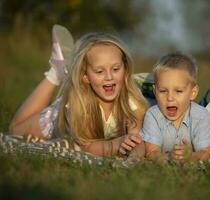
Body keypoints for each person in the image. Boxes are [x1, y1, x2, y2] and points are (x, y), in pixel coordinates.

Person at [9, 25, 148, 157]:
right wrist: (116, 145)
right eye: (100, 71)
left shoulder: (132, 98)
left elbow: (136, 137)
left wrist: (133, 150)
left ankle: (64, 68)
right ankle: (57, 71)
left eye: (116, 69)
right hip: (59, 117)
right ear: (85, 76)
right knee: (15, 130)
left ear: (125, 69)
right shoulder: (80, 105)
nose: (109, 77)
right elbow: (87, 146)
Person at [140, 52, 210, 162]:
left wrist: (190, 156)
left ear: (193, 93)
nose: (170, 98)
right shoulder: (152, 115)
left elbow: (206, 153)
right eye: (163, 91)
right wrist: (169, 157)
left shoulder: (201, 115)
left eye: (178, 91)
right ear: (155, 91)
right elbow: (151, 153)